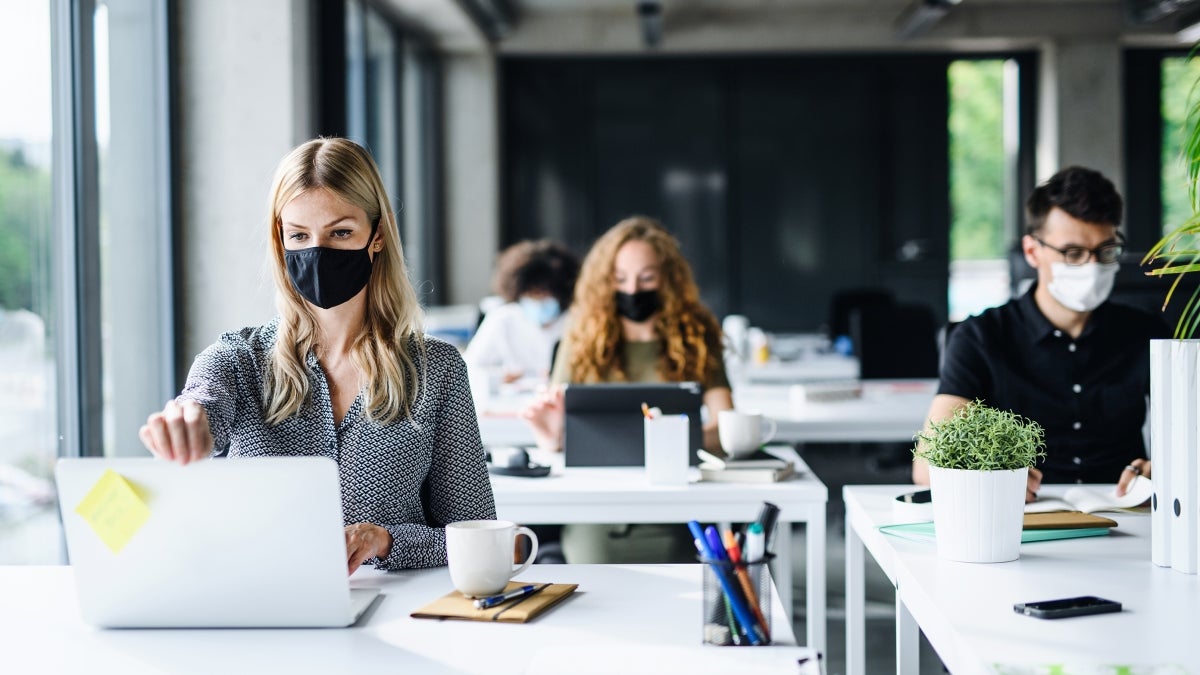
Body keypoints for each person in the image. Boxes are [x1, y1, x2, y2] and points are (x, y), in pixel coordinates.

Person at [139, 137, 496, 573]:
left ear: (377, 236)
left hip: (394, 617)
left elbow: (478, 535)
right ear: (281, 240)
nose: (318, 251)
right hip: (260, 605)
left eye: (341, 232)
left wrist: (386, 541)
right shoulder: (237, 359)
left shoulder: (436, 370)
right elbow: (202, 403)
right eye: (299, 235)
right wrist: (184, 421)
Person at [913, 166, 1169, 500]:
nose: (1092, 267)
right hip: (1023, 519)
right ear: (1033, 252)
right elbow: (927, 466)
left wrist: (1166, 467)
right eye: (1073, 253)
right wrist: (993, 479)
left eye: (1105, 251)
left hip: (1129, 516)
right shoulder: (981, 336)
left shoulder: (1146, 333)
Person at [521, 216, 733, 563]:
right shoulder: (580, 340)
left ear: (669, 279)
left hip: (675, 512)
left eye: (646, 277)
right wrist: (551, 438)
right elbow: (560, 432)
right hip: (598, 512)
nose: (633, 290)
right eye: (620, 279)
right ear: (605, 282)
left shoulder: (697, 336)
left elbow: (727, 425)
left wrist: (674, 440)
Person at [464, 239, 579, 384]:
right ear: (518, 293)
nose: (538, 302)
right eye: (531, 295)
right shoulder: (502, 319)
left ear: (561, 293)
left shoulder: (578, 320)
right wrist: (500, 376)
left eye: (544, 295)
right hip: (511, 403)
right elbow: (469, 367)